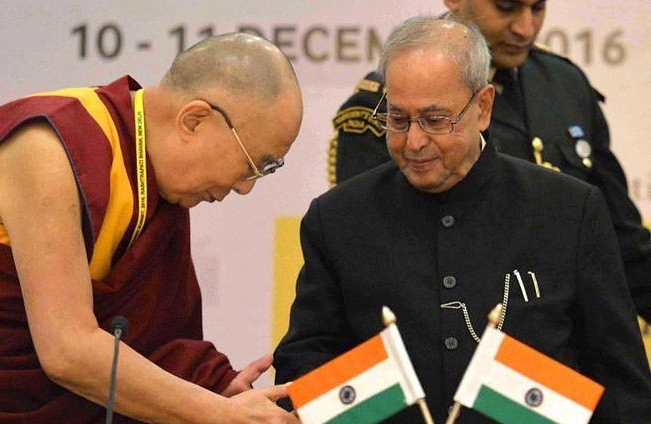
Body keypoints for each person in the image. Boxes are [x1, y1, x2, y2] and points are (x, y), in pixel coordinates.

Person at [0, 33, 303, 423]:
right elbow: (68, 351)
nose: (246, 187)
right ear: (194, 120)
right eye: (254, 163)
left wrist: (207, 392)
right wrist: (214, 414)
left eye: (267, 171)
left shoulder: (152, 184)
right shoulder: (50, 150)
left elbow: (151, 341)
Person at [275, 17, 651, 423]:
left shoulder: (568, 211)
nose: (414, 142)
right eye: (398, 119)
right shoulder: (337, 219)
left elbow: (622, 383)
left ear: (483, 107)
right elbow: (304, 361)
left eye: (436, 120)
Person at [328, 0, 651, 321]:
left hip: (559, 347)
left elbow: (619, 236)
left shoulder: (564, 84)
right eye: (506, 7)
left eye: (537, 8)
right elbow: (373, 260)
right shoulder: (392, 103)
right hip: (460, 332)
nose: (525, 27)